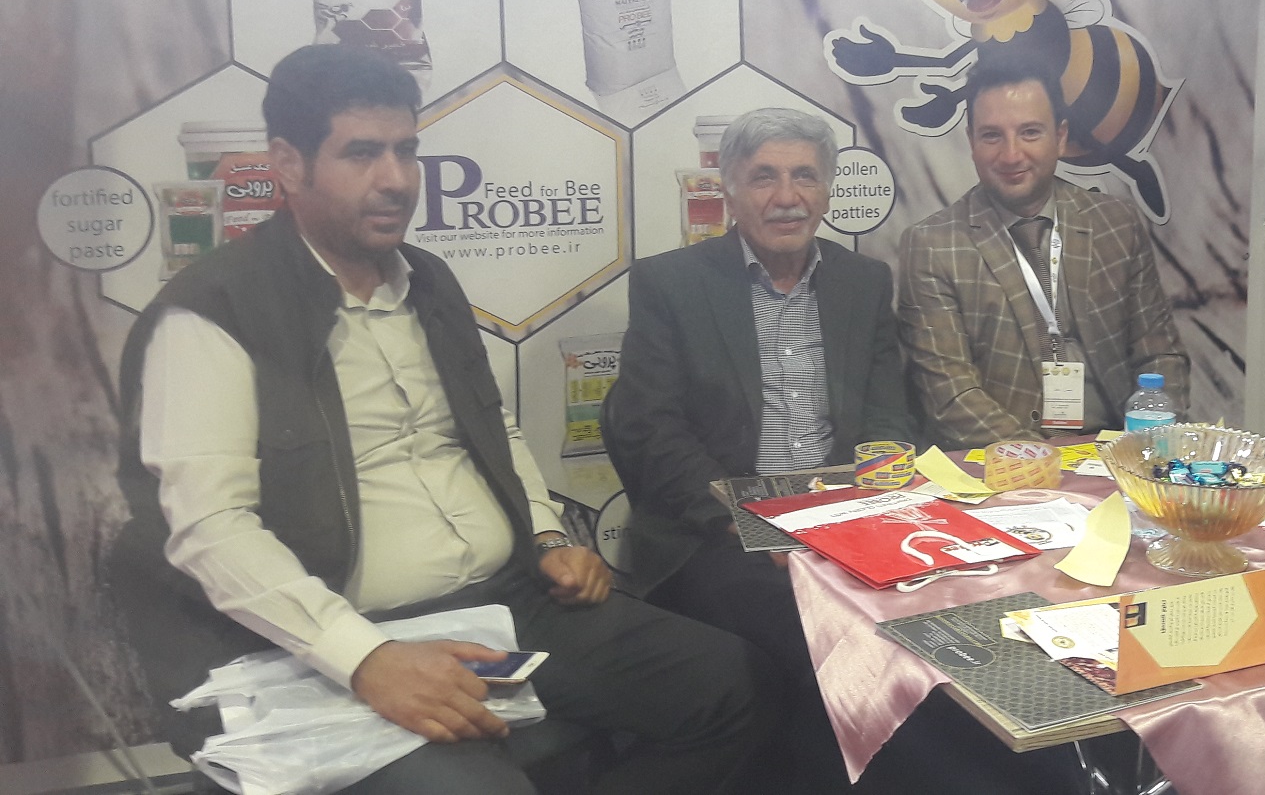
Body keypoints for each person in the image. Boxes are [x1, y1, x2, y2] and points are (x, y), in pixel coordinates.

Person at [108, 44, 773, 795]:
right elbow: (210, 528)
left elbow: (495, 429)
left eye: (406, 150)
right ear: (289, 165)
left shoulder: (428, 280)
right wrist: (365, 657)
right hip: (333, 634)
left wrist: (548, 536)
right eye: (362, 153)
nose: (396, 178)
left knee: (730, 684)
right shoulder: (213, 312)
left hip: (506, 602)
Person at [604, 107, 916, 793]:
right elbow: (651, 431)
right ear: (730, 189)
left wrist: (877, 512)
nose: (787, 196)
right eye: (764, 177)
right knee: (827, 640)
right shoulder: (670, 283)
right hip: (716, 533)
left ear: (828, 189)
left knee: (928, 623)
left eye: (805, 175)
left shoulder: (863, 282)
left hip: (842, 519)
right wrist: (753, 521)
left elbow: (887, 418)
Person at [899, 50, 1188, 447]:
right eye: (992, 135)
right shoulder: (933, 245)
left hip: (1120, 452)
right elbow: (952, 398)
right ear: (971, 142)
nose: (1011, 154)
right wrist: (1045, 465)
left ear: (1061, 137)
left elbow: (1161, 357)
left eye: (1030, 132)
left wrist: (1150, 449)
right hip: (1005, 465)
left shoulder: (1116, 224)